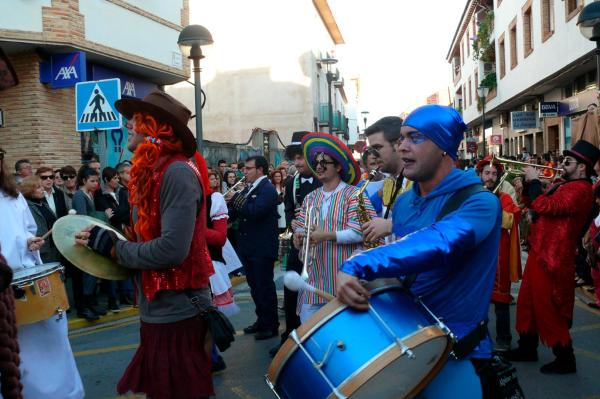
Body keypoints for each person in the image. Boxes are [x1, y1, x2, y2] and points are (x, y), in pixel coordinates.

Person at [336, 105, 504, 396]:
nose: (402, 147)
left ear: (443, 146)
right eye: (401, 139)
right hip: (407, 344)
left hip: (459, 355)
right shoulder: (403, 203)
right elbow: (408, 271)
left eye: (414, 138)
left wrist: (359, 263)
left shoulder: (481, 203)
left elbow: (437, 243)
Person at [76, 90, 215, 398]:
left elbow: (171, 250)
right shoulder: (152, 171)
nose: (127, 125)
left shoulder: (176, 171)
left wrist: (113, 248)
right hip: (157, 310)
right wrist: (100, 242)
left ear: (155, 127)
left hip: (179, 312)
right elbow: (145, 241)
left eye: (135, 119)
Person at [506, 140, 600, 375]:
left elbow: (548, 206)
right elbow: (535, 205)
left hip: (555, 256)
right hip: (541, 249)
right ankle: (527, 347)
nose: (562, 165)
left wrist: (537, 181)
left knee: (548, 307)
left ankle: (565, 358)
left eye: (568, 162)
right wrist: (529, 185)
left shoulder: (581, 190)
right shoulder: (561, 183)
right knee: (527, 303)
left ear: (582, 168)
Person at [0, 148, 84, 399]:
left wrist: (30, 241)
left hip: (26, 278)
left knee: (51, 342)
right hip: (4, 286)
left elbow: (26, 229)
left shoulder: (12, 196)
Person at [293, 132, 376, 323]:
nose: (319, 167)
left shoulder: (355, 194)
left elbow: (360, 232)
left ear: (338, 166)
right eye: (316, 163)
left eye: (325, 163)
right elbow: (300, 229)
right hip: (312, 281)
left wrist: (325, 235)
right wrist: (298, 237)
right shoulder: (310, 197)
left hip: (344, 281)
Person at [269, 131, 322, 357]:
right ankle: (291, 336)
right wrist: (296, 222)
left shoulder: (325, 180)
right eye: (295, 158)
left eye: (302, 158)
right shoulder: (292, 182)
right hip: (298, 246)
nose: (298, 163)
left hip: (321, 248)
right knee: (291, 294)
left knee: (317, 295)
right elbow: (290, 211)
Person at [227, 155, 280, 340]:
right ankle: (261, 320)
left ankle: (271, 324)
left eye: (248, 169)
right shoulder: (248, 189)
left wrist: (235, 199)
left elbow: (254, 211)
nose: (245, 172)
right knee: (254, 287)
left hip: (262, 247)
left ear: (260, 170)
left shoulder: (268, 189)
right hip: (248, 247)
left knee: (264, 287)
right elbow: (234, 212)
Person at [477, 156, 522, 351]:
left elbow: (509, 221)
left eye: (494, 174)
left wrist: (492, 206)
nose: (490, 177)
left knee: (501, 300)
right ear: (480, 174)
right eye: (487, 173)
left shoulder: (503, 197)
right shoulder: (473, 194)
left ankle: (504, 339)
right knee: (477, 301)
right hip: (477, 254)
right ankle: (478, 338)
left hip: (498, 253)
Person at [206, 171, 240, 373]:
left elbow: (219, 237)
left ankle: (212, 357)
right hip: (184, 263)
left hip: (207, 262)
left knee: (205, 312)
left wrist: (189, 230)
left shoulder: (214, 198)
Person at [360, 116, 412, 244]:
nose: (374, 155)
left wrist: (390, 225)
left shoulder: (420, 180)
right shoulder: (388, 182)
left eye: (377, 148)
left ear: (398, 144)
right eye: (371, 149)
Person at [72, 166, 105, 321]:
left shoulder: (89, 194)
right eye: (92, 181)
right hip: (83, 238)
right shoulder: (80, 196)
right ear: (84, 180)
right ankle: (84, 307)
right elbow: (82, 218)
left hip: (88, 236)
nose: (95, 184)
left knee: (91, 273)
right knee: (86, 274)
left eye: (97, 181)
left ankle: (90, 304)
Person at [20, 176, 61, 263]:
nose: (43, 189)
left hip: (53, 247)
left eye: (42, 186)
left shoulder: (43, 204)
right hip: (40, 250)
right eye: (38, 187)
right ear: (29, 190)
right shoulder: (26, 207)